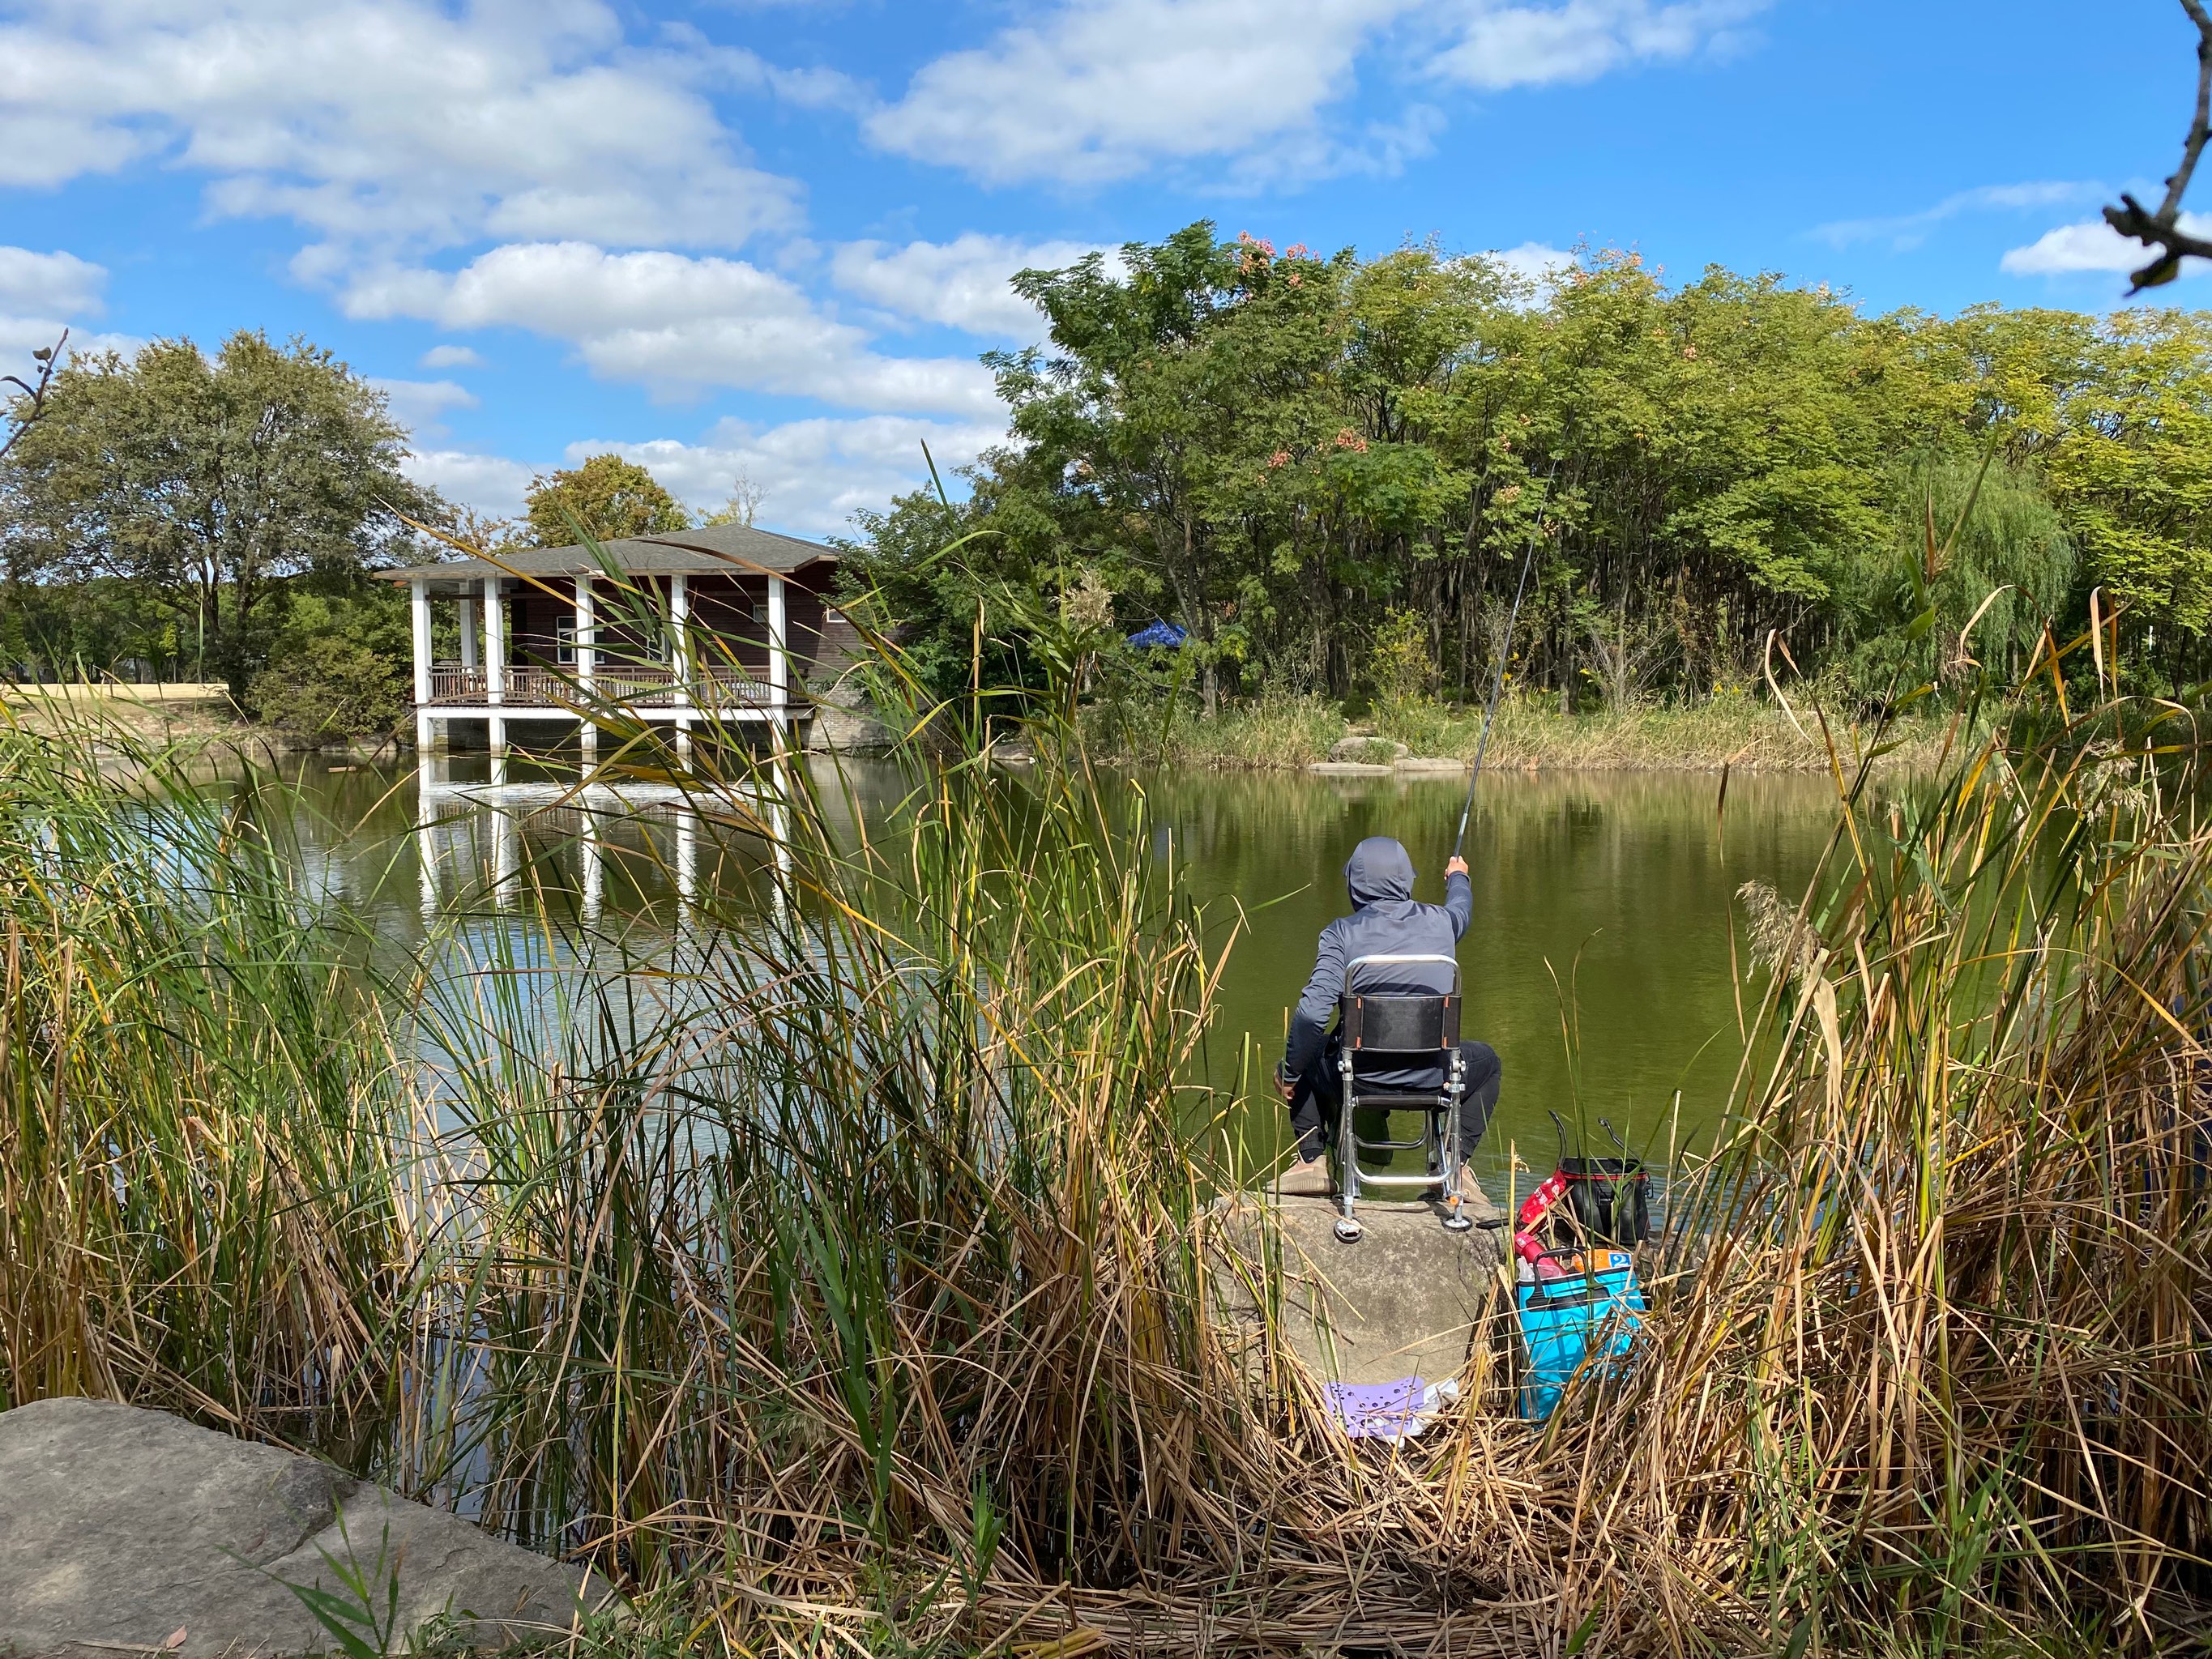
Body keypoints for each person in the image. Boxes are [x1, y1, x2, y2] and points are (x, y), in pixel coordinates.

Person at [1274, 835, 1501, 1200]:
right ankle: (1452, 1169)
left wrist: (1289, 1073)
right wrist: (1458, 876)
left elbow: (1311, 1016)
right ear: (1406, 881)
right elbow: (1462, 908)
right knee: (1487, 1063)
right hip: (1434, 1078)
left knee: (1301, 1057)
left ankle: (1312, 1161)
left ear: (1354, 884)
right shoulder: (1443, 924)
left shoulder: (1340, 935)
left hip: (1358, 1079)